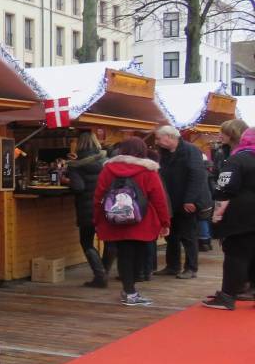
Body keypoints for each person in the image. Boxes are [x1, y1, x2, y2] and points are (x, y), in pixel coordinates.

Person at [94, 136, 171, 306]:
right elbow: (159, 199)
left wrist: (97, 219)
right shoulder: (148, 170)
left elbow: (98, 196)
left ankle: (128, 290)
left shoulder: (108, 169)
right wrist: (165, 222)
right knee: (139, 255)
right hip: (142, 221)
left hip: (115, 220)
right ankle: (130, 292)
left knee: (124, 255)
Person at [203, 126, 255, 310]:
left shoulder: (238, 159)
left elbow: (225, 188)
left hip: (241, 215)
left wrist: (217, 214)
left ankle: (227, 296)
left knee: (236, 255)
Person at [153, 125, 211, 279]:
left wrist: (190, 199)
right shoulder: (164, 153)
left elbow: (197, 176)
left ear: (170, 137)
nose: (157, 142)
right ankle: (172, 266)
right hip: (171, 201)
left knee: (188, 235)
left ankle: (191, 268)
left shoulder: (190, 150)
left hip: (186, 200)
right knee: (171, 235)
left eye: (159, 138)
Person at [65, 131, 108, 288]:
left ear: (79, 144)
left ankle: (100, 275)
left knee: (87, 242)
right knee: (109, 241)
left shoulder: (76, 165)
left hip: (87, 208)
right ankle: (105, 271)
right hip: (106, 206)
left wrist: (66, 180)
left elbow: (78, 187)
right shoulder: (106, 161)